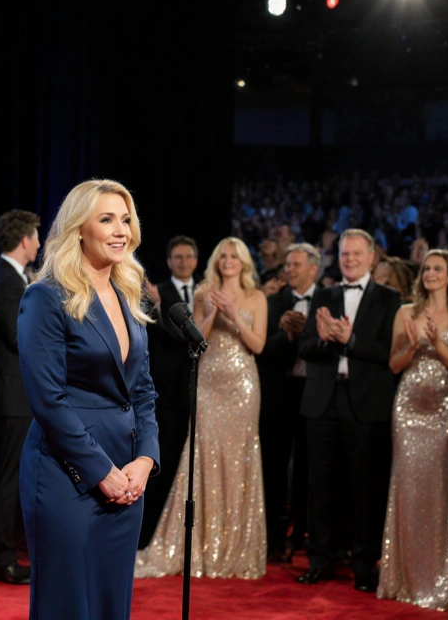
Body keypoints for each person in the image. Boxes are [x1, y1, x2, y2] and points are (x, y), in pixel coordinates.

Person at [17, 179, 160, 620]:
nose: (121, 230)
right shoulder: (46, 297)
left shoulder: (128, 297)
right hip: (66, 474)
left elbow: (143, 391)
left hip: (127, 479)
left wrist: (145, 460)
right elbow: (49, 401)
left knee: (109, 602)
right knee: (68, 604)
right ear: (79, 228)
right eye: (106, 219)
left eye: (126, 219)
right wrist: (101, 472)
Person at [135, 237, 269, 579]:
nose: (228, 261)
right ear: (215, 260)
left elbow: (258, 344)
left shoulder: (257, 297)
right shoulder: (202, 292)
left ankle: (236, 547)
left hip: (242, 386)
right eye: (223, 255)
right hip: (209, 385)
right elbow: (196, 342)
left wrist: (234, 313)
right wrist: (211, 312)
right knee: (203, 455)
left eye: (234, 256)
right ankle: (202, 546)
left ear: (244, 262)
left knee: (240, 459)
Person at [297, 229, 401, 592]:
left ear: (372, 258)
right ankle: (320, 559)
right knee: (320, 485)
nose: (351, 259)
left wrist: (350, 341)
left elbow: (390, 352)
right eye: (344, 254)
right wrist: (326, 340)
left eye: (357, 254)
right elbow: (306, 348)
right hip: (322, 399)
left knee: (364, 487)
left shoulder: (391, 298)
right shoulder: (325, 295)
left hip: (366, 403)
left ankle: (362, 563)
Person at [379, 249, 448, 610]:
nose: (431, 274)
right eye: (426, 269)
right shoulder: (406, 312)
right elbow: (394, 365)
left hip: (446, 409)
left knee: (441, 487)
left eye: (438, 269)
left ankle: (439, 579)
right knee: (407, 484)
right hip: (408, 407)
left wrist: (436, 343)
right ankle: (403, 577)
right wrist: (413, 344)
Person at [0, 209, 41, 585]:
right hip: (11, 396)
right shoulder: (6, 279)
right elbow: (19, 338)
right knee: (7, 480)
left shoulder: (17, 277)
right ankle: (2, 559)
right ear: (24, 241)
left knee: (15, 478)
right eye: (36, 236)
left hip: (21, 396)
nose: (39, 243)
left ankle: (8, 552)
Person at [258, 243, 320, 561]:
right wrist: (287, 335)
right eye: (288, 265)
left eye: (296, 265)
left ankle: (306, 539)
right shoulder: (272, 302)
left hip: (317, 395)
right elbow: (261, 349)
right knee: (275, 468)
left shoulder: (329, 300)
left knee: (312, 469)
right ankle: (274, 539)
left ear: (314, 269)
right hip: (280, 396)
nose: (289, 270)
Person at [139, 236, 199, 547]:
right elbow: (167, 336)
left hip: (196, 392)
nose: (184, 261)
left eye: (189, 256)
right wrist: (160, 306)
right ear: (169, 261)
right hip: (165, 395)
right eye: (178, 257)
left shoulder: (204, 294)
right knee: (160, 467)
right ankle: (149, 536)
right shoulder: (154, 292)